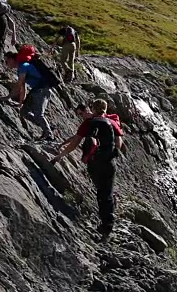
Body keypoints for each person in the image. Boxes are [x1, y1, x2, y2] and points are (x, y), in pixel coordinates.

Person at [51, 100, 124, 238]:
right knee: (106, 192)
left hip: (94, 163)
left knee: (101, 192)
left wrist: (60, 155)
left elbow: (76, 141)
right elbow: (119, 143)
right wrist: (111, 154)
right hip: (109, 162)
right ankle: (107, 224)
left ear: (92, 109)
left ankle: (105, 224)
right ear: (105, 109)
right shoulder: (112, 122)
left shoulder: (89, 123)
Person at [2, 48, 55, 141]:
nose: (6, 64)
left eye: (6, 61)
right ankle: (47, 127)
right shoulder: (20, 69)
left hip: (43, 89)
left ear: (11, 59)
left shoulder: (24, 66)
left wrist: (7, 97)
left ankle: (49, 136)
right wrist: (20, 103)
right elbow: (23, 88)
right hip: (37, 89)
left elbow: (18, 85)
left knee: (39, 114)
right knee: (24, 112)